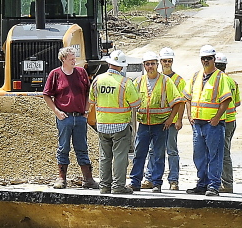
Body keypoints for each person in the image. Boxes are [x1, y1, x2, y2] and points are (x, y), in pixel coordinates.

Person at [129, 51, 186, 194]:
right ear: (144, 66)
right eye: (147, 64)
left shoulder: (166, 81)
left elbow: (178, 102)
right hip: (144, 124)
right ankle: (135, 181)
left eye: (152, 64)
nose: (150, 67)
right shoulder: (139, 82)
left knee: (159, 154)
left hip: (160, 125)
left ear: (157, 64)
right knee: (139, 154)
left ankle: (156, 183)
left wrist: (170, 119)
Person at [42, 46, 97, 189]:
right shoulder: (55, 74)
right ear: (63, 59)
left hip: (79, 118)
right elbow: (47, 95)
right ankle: (61, 178)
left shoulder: (81, 73)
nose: (74, 61)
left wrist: (86, 111)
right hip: (64, 117)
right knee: (63, 147)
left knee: (82, 147)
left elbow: (88, 92)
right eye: (71, 58)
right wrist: (57, 112)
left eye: (74, 58)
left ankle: (88, 179)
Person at [88, 50, 141, 195]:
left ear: (109, 63)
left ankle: (104, 186)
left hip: (102, 125)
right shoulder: (126, 83)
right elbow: (136, 104)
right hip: (120, 126)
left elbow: (91, 101)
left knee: (105, 156)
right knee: (120, 156)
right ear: (122, 66)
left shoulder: (98, 80)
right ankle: (118, 186)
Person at [186, 45, 232, 197]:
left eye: (209, 58)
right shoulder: (195, 76)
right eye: (203, 58)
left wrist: (217, 118)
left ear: (214, 59)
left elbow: (226, 100)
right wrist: (189, 115)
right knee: (199, 156)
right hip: (198, 123)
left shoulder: (221, 78)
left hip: (213, 125)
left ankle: (213, 185)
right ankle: (202, 184)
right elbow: (187, 97)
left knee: (215, 155)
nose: (206, 61)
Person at [215, 52, 241, 194]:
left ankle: (226, 183)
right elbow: (236, 103)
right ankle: (223, 182)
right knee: (225, 152)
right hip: (231, 121)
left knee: (222, 153)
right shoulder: (233, 82)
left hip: (222, 121)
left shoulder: (217, 81)